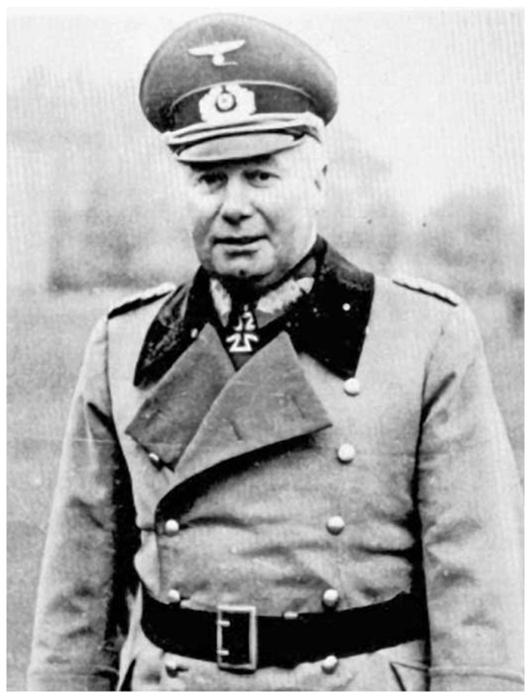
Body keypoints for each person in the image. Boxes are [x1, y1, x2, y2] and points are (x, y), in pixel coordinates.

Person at [28, 12, 522, 691]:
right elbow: (75, 609)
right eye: (209, 179)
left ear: (318, 180)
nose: (233, 206)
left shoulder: (424, 337)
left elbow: (482, 612)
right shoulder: (123, 344)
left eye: (260, 176)